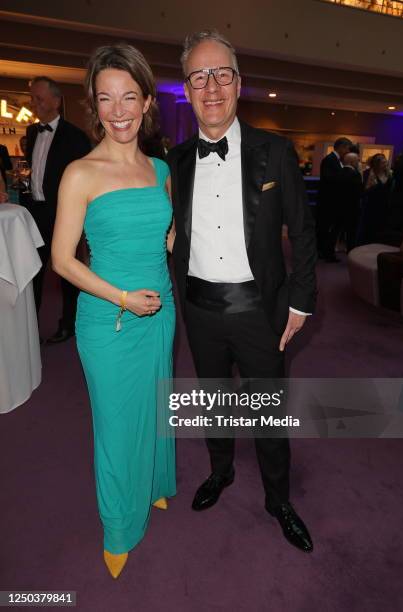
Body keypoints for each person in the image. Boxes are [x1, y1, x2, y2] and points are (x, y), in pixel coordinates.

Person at [167, 30, 317, 553]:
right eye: (199, 76)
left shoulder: (275, 152)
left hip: (259, 310)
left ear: (239, 83)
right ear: (186, 89)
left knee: (268, 412)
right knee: (214, 402)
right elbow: (169, 228)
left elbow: (302, 232)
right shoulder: (176, 160)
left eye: (222, 74)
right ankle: (221, 471)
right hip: (200, 308)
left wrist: (301, 300)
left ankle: (278, 500)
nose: (211, 87)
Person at [51, 44, 176, 578]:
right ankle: (119, 528)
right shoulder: (81, 173)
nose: (119, 110)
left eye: (130, 97)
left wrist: (167, 238)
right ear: (94, 104)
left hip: (161, 311)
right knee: (116, 424)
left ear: (148, 101)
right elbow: (60, 259)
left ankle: (153, 485)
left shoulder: (161, 167)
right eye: (106, 99)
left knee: (155, 402)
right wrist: (122, 296)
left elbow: (165, 222)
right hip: (109, 320)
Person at [26, 76, 91, 343]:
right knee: (33, 270)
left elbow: (86, 179)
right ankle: (30, 325)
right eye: (33, 99)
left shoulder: (75, 137)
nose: (34, 104)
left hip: (65, 214)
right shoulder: (31, 133)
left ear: (55, 101)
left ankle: (69, 323)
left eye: (39, 99)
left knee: (67, 271)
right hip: (35, 212)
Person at [317, 137, 352, 261]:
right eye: (348, 148)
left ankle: (324, 252)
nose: (348, 151)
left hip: (331, 202)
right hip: (329, 202)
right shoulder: (330, 160)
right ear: (342, 147)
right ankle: (325, 253)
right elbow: (330, 179)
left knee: (327, 228)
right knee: (326, 229)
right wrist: (346, 173)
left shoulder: (335, 160)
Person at [357, 153, 392, 246]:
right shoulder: (368, 173)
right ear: (377, 164)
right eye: (383, 163)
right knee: (369, 227)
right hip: (371, 205)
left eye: (386, 162)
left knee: (381, 227)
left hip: (384, 205)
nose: (385, 165)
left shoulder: (389, 174)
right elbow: (364, 191)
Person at [338, 151, 363, 252]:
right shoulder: (355, 174)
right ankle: (351, 250)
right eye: (357, 160)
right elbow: (359, 191)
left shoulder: (339, 172)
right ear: (352, 162)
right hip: (352, 206)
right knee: (351, 231)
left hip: (340, 205)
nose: (358, 162)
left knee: (337, 229)